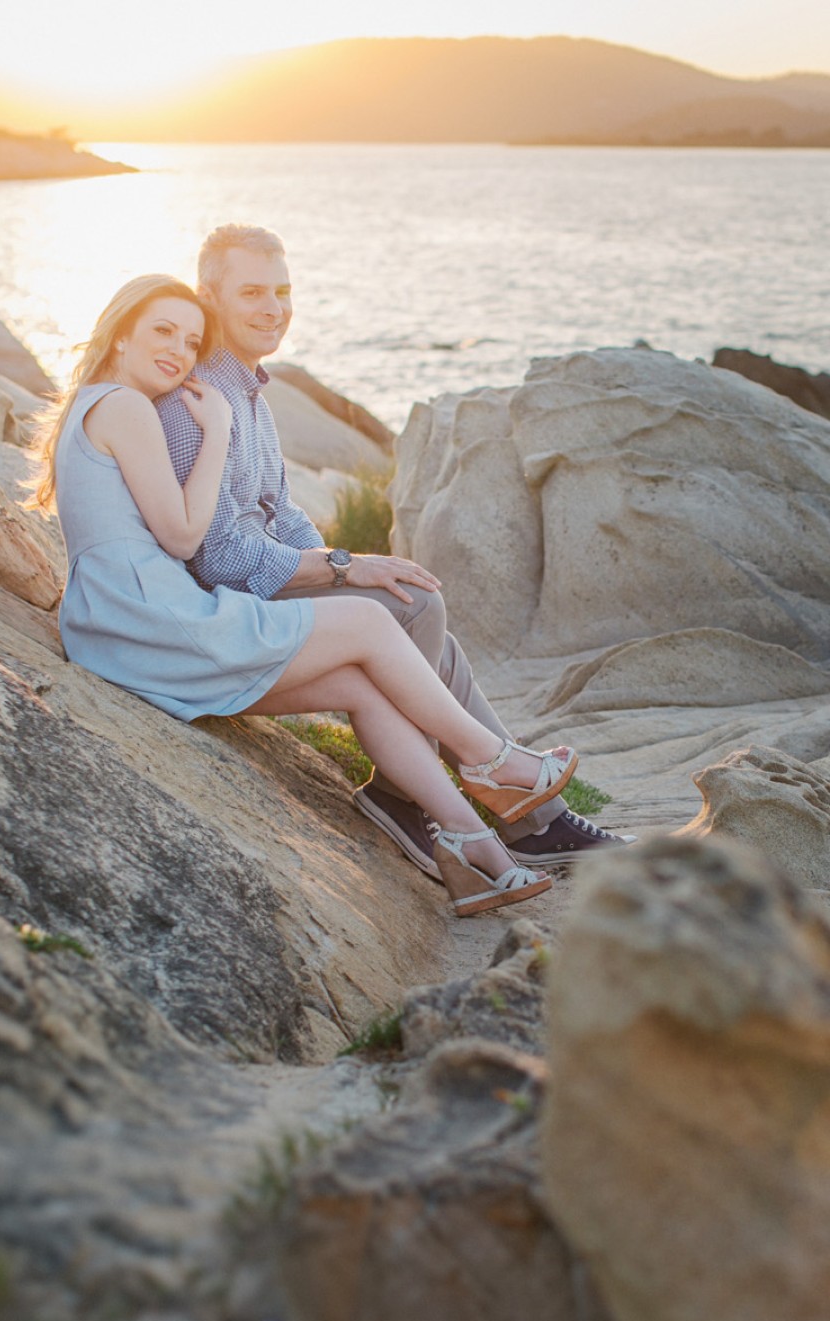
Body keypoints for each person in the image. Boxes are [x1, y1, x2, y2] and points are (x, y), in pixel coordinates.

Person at [36, 273, 583, 916]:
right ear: (120, 332)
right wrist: (218, 432)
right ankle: (490, 760)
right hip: (150, 619)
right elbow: (183, 537)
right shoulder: (125, 407)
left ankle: (472, 847)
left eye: (189, 341)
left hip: (123, 631)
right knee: (368, 623)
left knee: (360, 685)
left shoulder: (98, 403)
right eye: (162, 331)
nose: (178, 352)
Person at [157, 224, 634, 881]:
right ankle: (413, 795)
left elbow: (281, 510)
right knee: (412, 607)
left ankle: (533, 822)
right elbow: (217, 557)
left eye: (283, 291)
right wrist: (343, 570)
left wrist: (340, 565)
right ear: (209, 298)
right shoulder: (197, 403)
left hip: (262, 580)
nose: (274, 308)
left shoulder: (249, 392)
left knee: (425, 624)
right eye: (252, 293)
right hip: (228, 606)